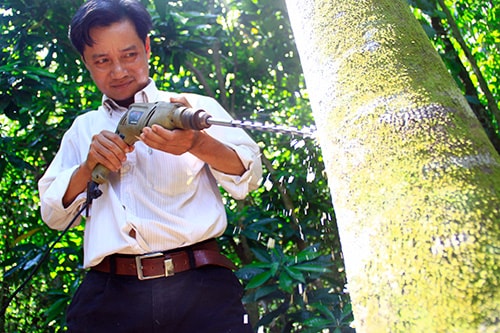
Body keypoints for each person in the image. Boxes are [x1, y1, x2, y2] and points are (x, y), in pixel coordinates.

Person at [38, 0, 262, 332]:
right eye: (102, 60)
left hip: (201, 290)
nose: (118, 71)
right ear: (86, 62)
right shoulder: (83, 129)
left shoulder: (191, 107)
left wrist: (196, 142)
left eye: (129, 55)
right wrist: (87, 168)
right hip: (110, 296)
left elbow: (249, 177)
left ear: (146, 46)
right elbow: (53, 215)